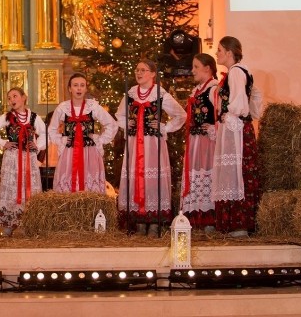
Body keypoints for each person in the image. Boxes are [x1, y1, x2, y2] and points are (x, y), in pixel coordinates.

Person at [115, 59, 186, 236]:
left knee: (152, 178)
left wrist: (164, 127)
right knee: (136, 176)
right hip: (134, 143)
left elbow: (181, 115)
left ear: (153, 74)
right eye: (137, 70)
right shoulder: (130, 94)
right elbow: (119, 115)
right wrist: (128, 122)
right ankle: (138, 220)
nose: (138, 73)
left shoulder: (160, 94)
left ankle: (154, 220)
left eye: (143, 70)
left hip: (152, 144)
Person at [212, 36, 261, 238]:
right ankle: (234, 223)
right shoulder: (242, 71)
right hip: (237, 126)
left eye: (220, 51)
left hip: (235, 127)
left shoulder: (235, 72)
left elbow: (241, 103)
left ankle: (238, 223)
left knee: (236, 173)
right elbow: (256, 97)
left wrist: (228, 112)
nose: (217, 54)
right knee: (236, 173)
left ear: (230, 53)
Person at [0, 87, 47, 236]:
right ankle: (9, 224)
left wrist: (37, 146)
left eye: (15, 96)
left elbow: (46, 133)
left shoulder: (34, 117)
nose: (12, 100)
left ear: (24, 98)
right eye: (9, 97)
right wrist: (2, 142)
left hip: (29, 159)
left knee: (29, 187)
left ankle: (28, 222)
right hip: (12, 158)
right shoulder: (7, 117)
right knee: (12, 187)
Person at [48, 73, 118, 194]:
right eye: (75, 85)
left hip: (89, 151)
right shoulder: (63, 107)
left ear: (86, 88)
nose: (79, 88)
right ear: (70, 88)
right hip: (69, 152)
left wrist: (99, 139)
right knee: (68, 185)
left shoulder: (92, 106)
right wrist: (62, 140)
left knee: (89, 185)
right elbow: (52, 129)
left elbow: (111, 124)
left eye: (82, 85)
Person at [181, 53, 219, 232]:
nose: (192, 70)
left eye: (196, 67)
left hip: (207, 142)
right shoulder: (197, 90)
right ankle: (195, 218)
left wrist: (213, 128)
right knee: (195, 174)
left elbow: (222, 114)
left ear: (207, 68)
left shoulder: (213, 89)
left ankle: (208, 219)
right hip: (195, 141)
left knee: (206, 173)